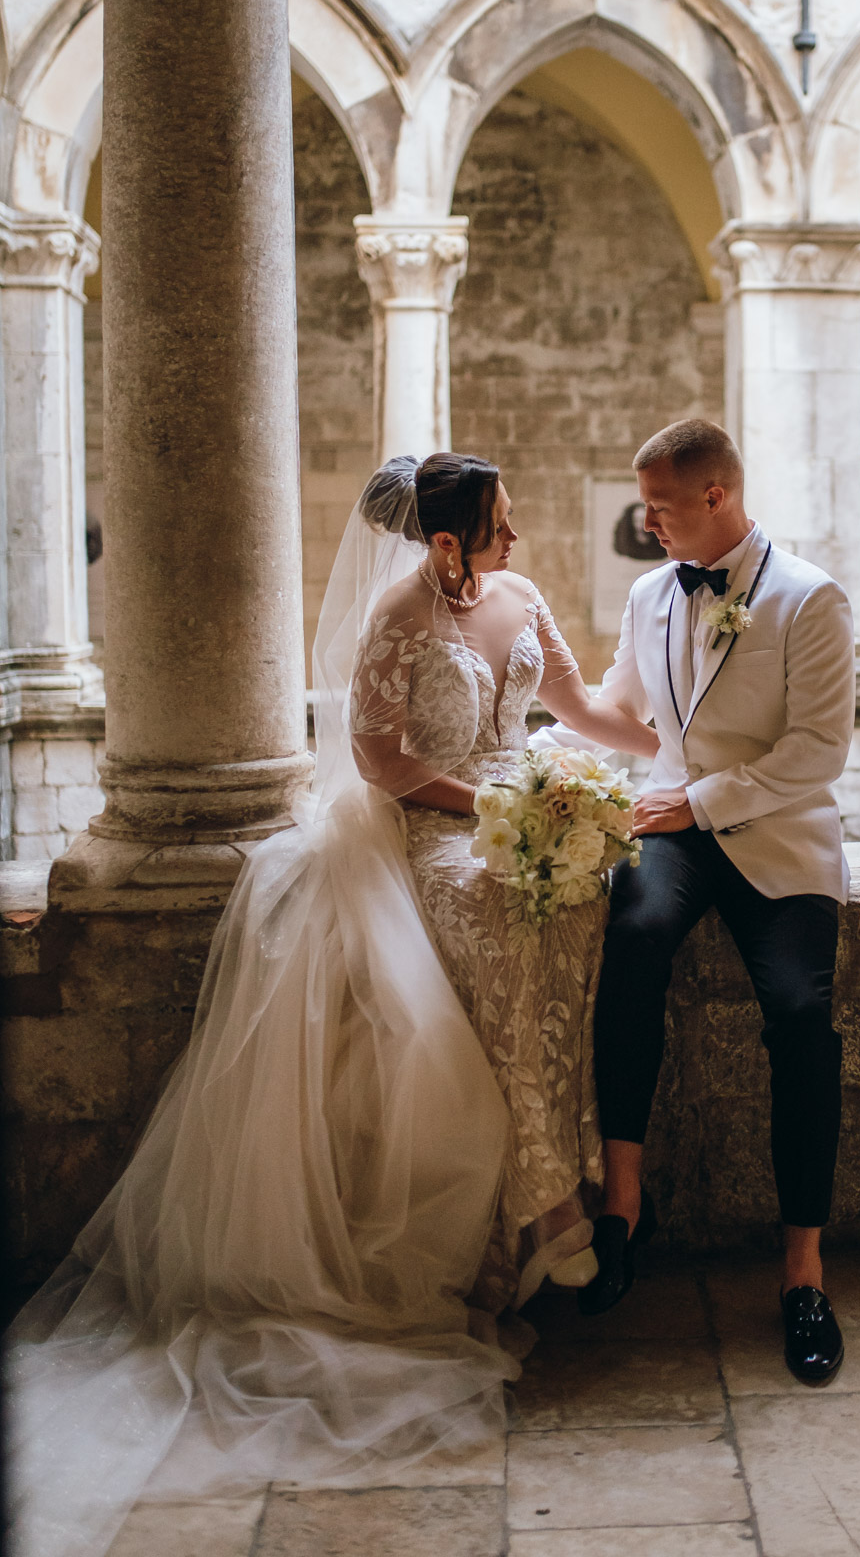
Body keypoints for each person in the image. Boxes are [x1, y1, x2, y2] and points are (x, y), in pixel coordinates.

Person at [7, 452, 658, 1557]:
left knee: (582, 905)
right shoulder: (401, 615)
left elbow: (578, 707)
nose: (518, 539)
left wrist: (658, 761)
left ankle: (555, 1181)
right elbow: (377, 759)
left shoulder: (524, 601)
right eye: (500, 525)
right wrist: (497, 799)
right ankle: (549, 1203)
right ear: (446, 544)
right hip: (428, 839)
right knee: (498, 916)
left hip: (515, 822)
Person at [563, 419, 856, 1386]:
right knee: (635, 938)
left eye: (657, 504)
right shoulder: (651, 594)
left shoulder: (809, 599)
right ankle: (622, 1210)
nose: (644, 521)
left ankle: (802, 1270)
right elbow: (624, 714)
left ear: (715, 497)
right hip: (676, 838)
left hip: (773, 835)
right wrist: (545, 694)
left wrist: (698, 802)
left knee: (802, 1012)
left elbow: (817, 751)